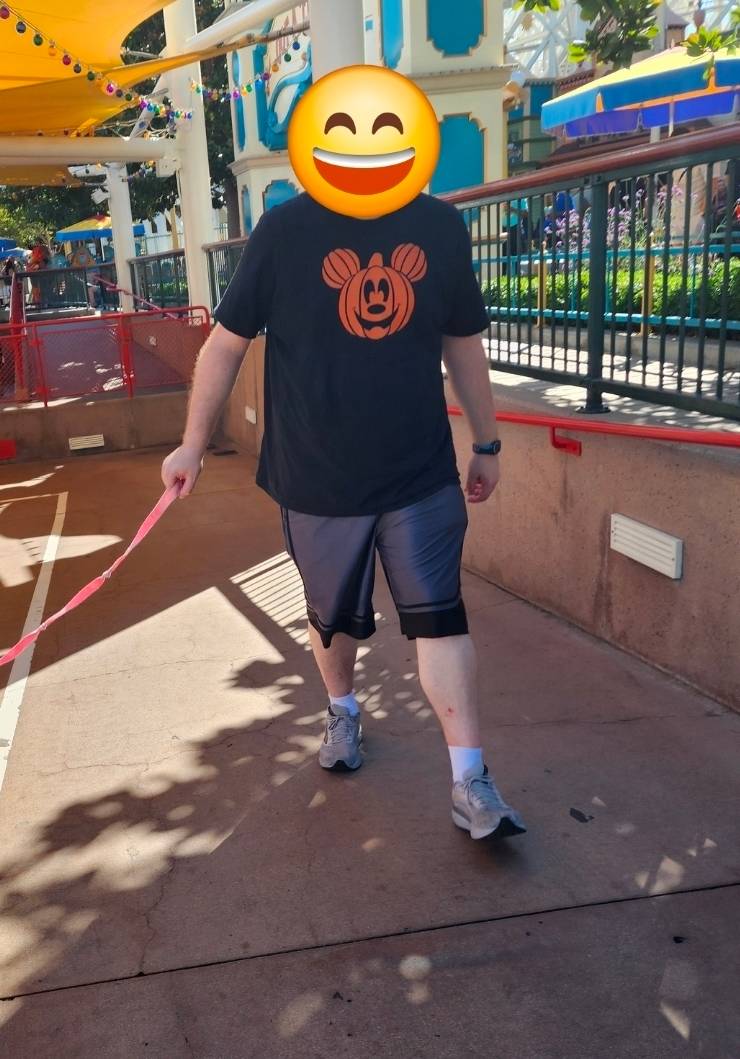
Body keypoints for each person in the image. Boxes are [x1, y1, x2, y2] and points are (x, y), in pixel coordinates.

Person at [161, 65, 526, 844]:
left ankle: (469, 780)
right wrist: (192, 442)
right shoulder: (284, 231)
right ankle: (341, 711)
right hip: (316, 474)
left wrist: (486, 442)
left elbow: (462, 343)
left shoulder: (439, 228)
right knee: (333, 620)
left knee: (440, 617)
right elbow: (225, 344)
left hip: (419, 470)